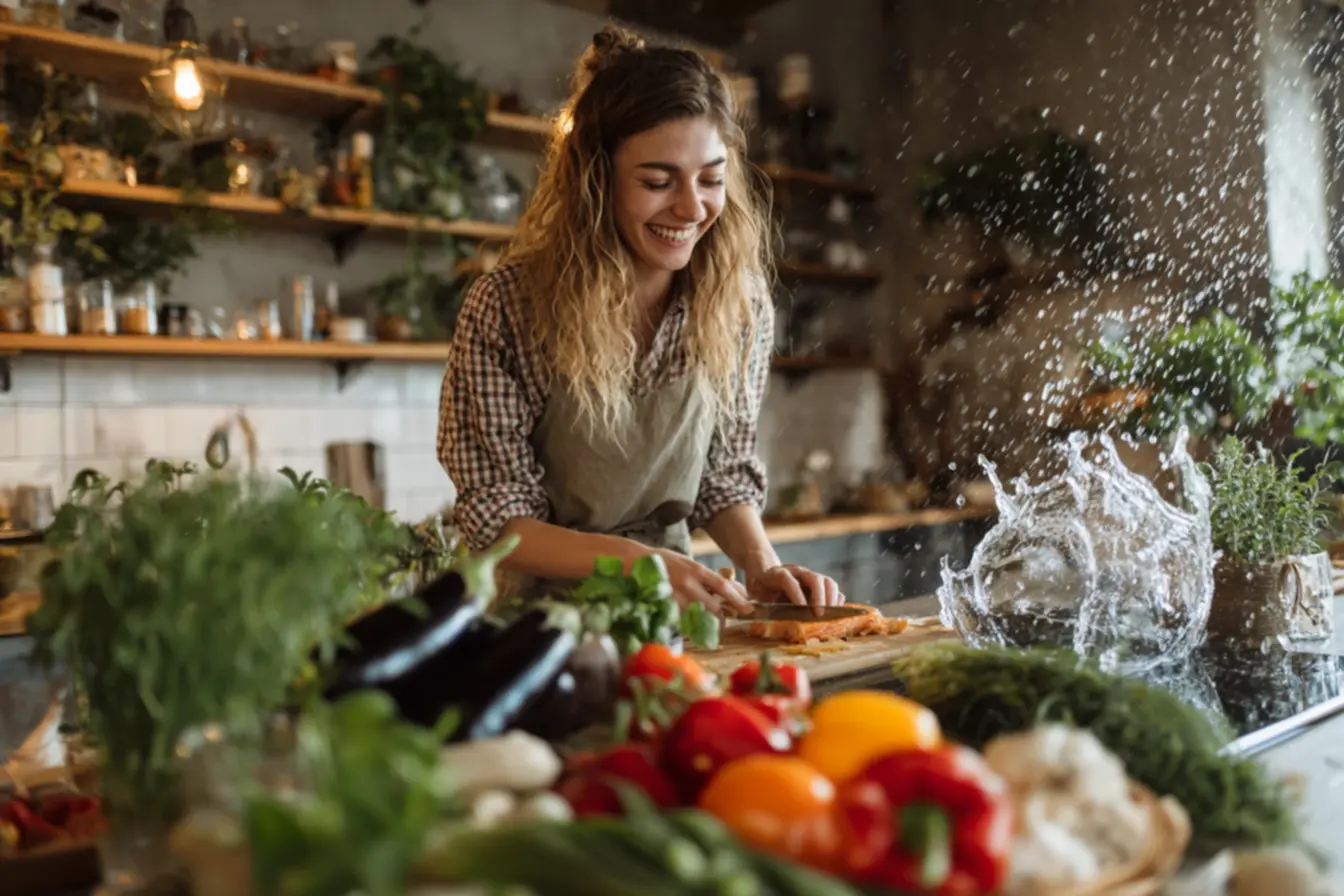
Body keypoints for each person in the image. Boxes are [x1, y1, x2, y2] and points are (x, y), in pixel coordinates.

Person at [438, 25, 844, 616]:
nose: (690, 208)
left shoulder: (739, 302)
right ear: (595, 182)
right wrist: (638, 563)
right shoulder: (506, 308)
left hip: (671, 618)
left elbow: (722, 475)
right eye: (657, 182)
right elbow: (502, 522)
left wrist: (765, 568)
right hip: (537, 630)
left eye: (710, 179)